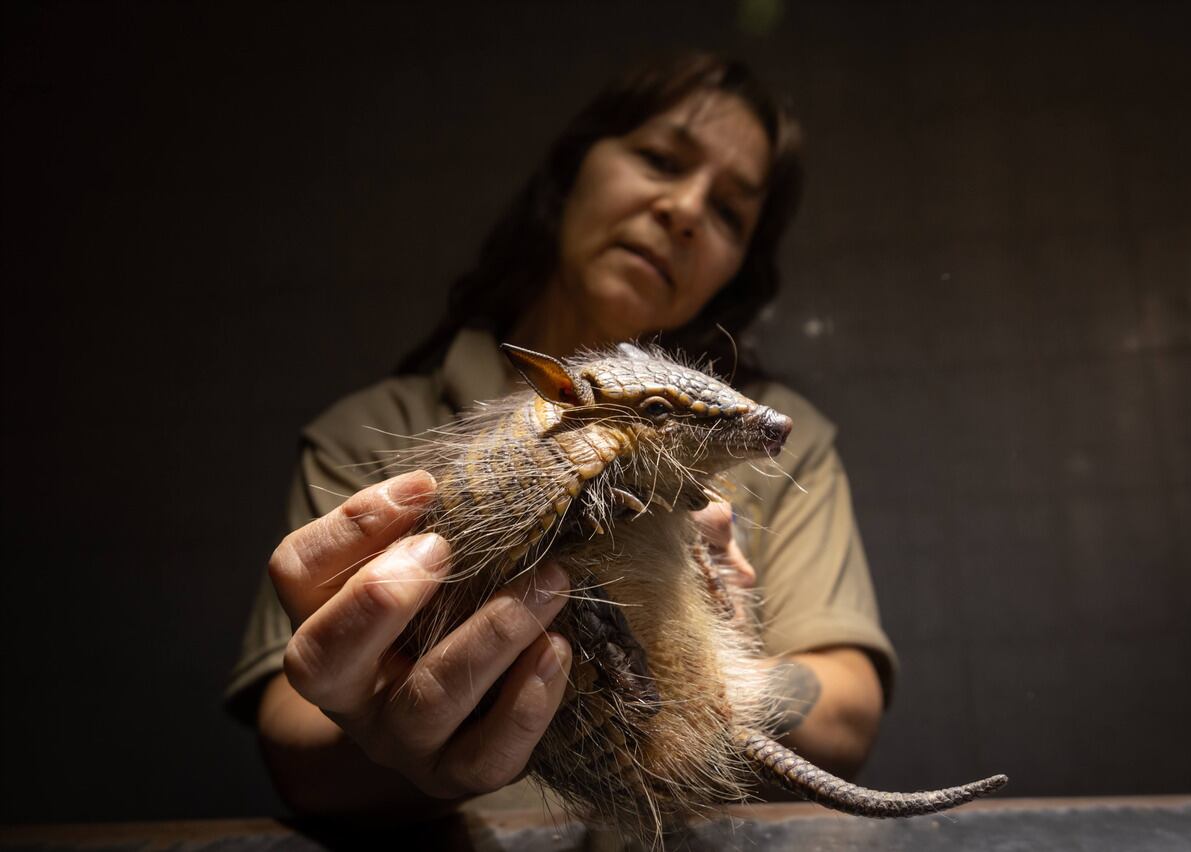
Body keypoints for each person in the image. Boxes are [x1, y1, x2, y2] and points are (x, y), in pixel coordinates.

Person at [226, 53, 897, 820]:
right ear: (573, 171)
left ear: (739, 265)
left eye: (729, 214)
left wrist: (707, 679)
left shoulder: (778, 433)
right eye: (658, 158)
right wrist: (393, 715)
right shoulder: (369, 432)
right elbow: (290, 733)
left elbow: (850, 709)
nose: (683, 209)